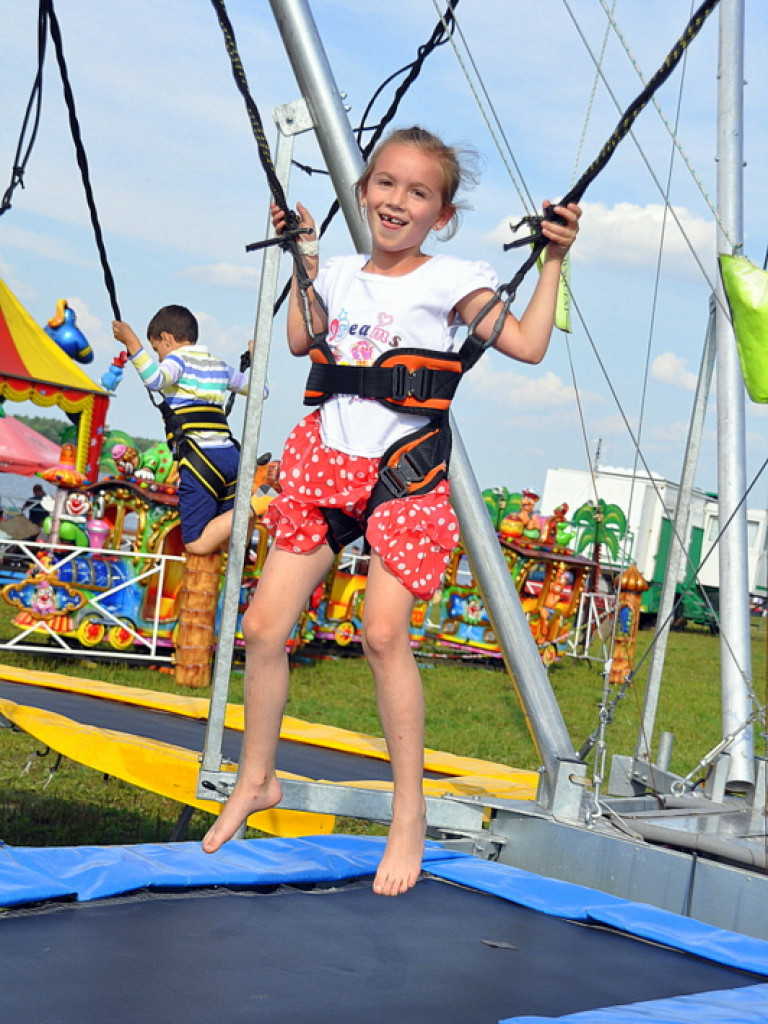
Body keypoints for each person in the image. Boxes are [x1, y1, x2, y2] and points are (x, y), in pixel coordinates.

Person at [201, 126, 581, 895]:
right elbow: (304, 335)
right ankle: (258, 777)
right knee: (262, 628)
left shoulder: (454, 279)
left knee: (381, 633)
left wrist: (553, 261)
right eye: (385, 185)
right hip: (325, 462)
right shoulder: (338, 273)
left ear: (441, 215)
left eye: (418, 193)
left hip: (404, 473)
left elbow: (530, 345)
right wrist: (305, 257)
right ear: (363, 190)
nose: (396, 202)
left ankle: (408, 812)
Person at [112, 305, 252, 556]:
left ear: (167, 338)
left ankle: (257, 504)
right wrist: (256, 360)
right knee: (227, 540)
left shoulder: (177, 361)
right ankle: (257, 502)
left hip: (202, 460)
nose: (159, 359)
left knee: (196, 543)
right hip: (232, 458)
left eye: (157, 351)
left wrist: (131, 342)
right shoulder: (218, 365)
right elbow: (258, 390)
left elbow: (155, 381)